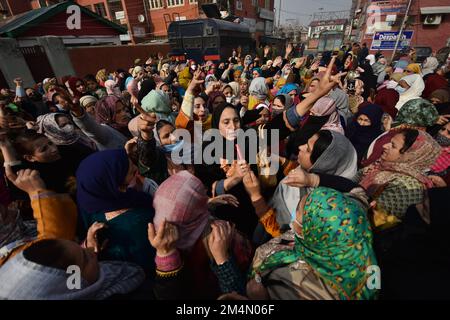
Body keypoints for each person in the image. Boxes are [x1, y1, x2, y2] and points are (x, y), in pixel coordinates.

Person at [246, 187, 378, 300]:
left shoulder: (298, 287)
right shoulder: (351, 237)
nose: (294, 214)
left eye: (299, 211)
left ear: (315, 232)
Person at [149, 171, 253, 299]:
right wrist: (223, 260)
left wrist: (204, 205)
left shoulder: (162, 237)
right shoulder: (220, 235)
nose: (163, 224)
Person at [76, 149, 156, 274]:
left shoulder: (89, 202)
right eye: (132, 172)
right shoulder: (140, 222)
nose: (137, 170)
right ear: (117, 187)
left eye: (134, 163)